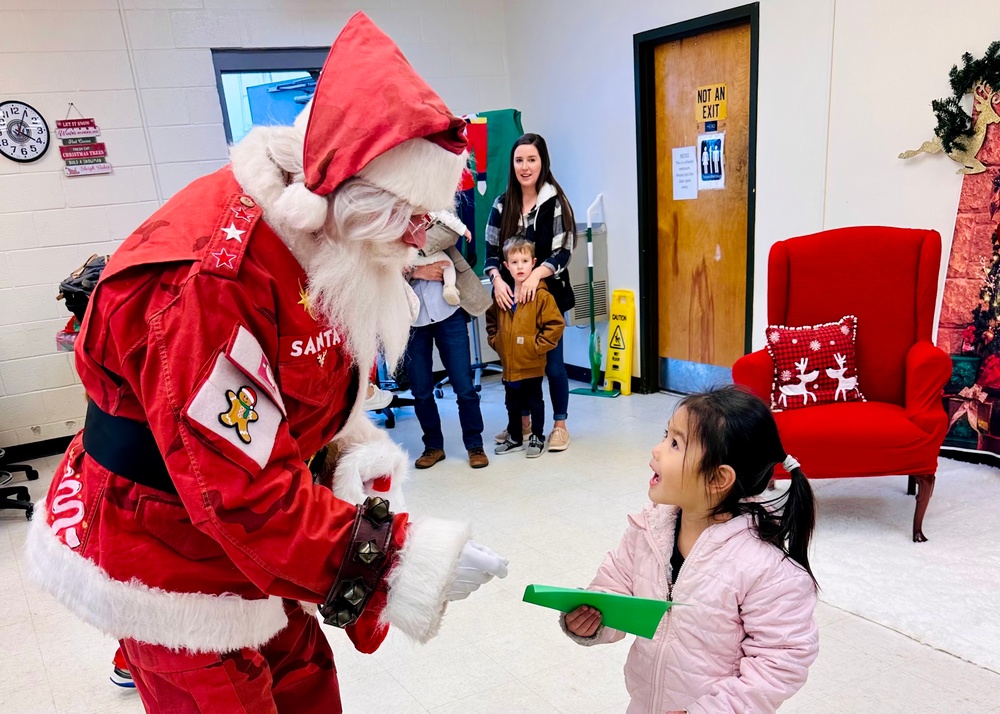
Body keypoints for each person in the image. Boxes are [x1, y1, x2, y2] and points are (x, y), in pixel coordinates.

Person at [24, 13, 508, 713]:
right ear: (353, 195)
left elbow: (304, 385)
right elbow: (241, 491)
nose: (415, 244)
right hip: (172, 552)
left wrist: (353, 461)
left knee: (305, 681)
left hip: (249, 537)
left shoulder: (320, 238)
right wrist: (401, 559)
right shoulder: (212, 285)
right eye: (409, 219)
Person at [562, 387, 819, 714]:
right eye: (665, 434)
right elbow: (615, 587)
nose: (656, 450)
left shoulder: (765, 568)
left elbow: (780, 660)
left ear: (717, 478)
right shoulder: (648, 529)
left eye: (674, 443)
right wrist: (594, 620)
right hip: (646, 704)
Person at [484, 133, 576, 452]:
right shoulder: (501, 202)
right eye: (519, 160)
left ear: (542, 162)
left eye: (532, 159)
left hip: (547, 297)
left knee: (552, 365)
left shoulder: (554, 201)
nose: (525, 166)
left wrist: (537, 273)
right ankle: (521, 424)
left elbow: (564, 249)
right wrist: (496, 279)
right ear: (513, 164)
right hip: (511, 301)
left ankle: (560, 425)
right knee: (519, 364)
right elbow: (491, 251)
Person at [404, 209, 492, 470]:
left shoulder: (436, 203)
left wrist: (410, 251)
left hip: (448, 309)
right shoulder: (385, 215)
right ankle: (433, 446)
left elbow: (451, 233)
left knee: (464, 385)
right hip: (410, 317)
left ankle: (475, 443)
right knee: (420, 390)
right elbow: (378, 262)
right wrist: (415, 271)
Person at [486, 238, 565, 458]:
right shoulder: (502, 295)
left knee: (534, 402)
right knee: (512, 402)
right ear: (506, 266)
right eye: (514, 262)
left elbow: (555, 325)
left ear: (534, 263)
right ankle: (514, 437)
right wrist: (497, 342)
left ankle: (537, 437)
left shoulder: (541, 295)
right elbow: (491, 322)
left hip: (532, 363)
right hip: (510, 365)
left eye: (524, 261)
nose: (520, 266)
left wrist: (536, 347)